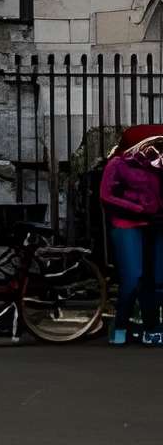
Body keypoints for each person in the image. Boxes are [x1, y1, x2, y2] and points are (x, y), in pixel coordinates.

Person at [100, 127, 163, 344]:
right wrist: (136, 208)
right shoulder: (117, 164)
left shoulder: (156, 167)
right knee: (133, 278)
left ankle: (151, 327)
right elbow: (106, 196)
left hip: (154, 225)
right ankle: (120, 325)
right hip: (127, 224)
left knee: (154, 279)